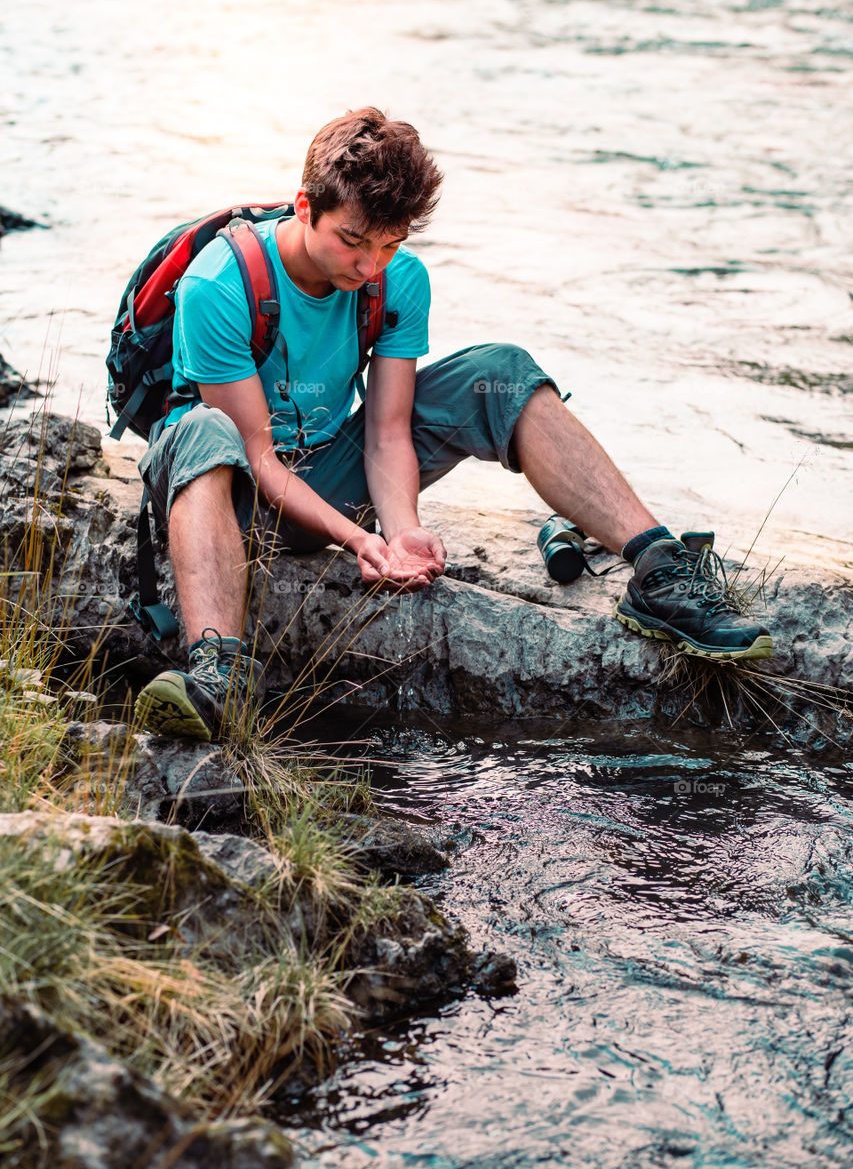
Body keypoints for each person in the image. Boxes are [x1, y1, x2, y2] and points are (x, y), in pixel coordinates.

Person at [133, 107, 772, 741]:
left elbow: (387, 432)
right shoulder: (218, 284)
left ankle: (659, 570)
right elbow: (262, 459)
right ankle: (219, 675)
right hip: (233, 493)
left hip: (323, 474)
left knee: (499, 371)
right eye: (353, 240)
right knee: (204, 432)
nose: (369, 267)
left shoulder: (395, 281)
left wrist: (402, 530)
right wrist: (360, 544)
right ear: (305, 207)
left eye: (390, 244)